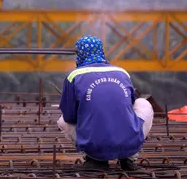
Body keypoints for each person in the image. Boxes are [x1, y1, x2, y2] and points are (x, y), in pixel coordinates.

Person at [58, 35, 154, 171]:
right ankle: (129, 157)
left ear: (80, 54)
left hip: (95, 145)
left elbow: (69, 116)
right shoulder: (121, 72)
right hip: (128, 143)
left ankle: (95, 160)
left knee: (62, 120)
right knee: (143, 104)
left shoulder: (74, 76)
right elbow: (130, 106)